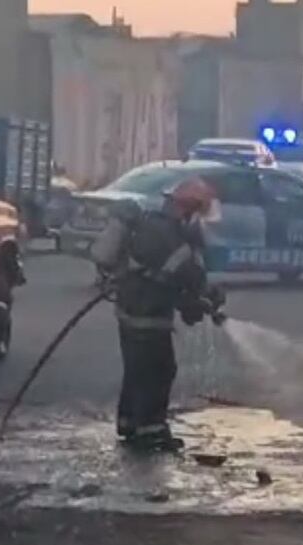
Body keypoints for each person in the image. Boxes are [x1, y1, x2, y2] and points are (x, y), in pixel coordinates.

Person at [92, 177, 223, 453]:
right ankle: (151, 432)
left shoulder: (156, 227)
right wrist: (208, 298)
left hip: (131, 308)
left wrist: (197, 300)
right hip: (148, 312)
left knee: (136, 371)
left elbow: (172, 280)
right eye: (198, 216)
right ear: (187, 211)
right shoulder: (173, 239)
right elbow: (189, 280)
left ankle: (129, 424)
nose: (200, 224)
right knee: (159, 371)